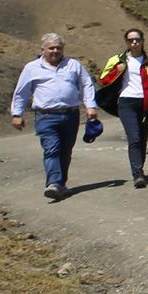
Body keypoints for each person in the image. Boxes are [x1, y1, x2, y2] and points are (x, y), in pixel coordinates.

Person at [8, 33, 97, 201]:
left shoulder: (73, 65)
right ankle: (53, 183)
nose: (55, 51)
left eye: (58, 48)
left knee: (66, 151)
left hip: (71, 114)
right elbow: (21, 92)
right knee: (51, 149)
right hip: (46, 116)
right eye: (51, 48)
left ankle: (60, 184)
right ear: (42, 50)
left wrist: (90, 106)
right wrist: (16, 114)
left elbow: (86, 84)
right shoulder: (31, 68)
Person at [97, 28, 148, 189]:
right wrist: (117, 70)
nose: (134, 42)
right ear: (127, 43)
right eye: (130, 40)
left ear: (143, 40)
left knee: (142, 138)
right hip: (126, 103)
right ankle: (137, 174)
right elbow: (103, 80)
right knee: (134, 137)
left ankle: (139, 167)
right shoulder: (117, 60)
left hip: (147, 103)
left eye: (137, 39)